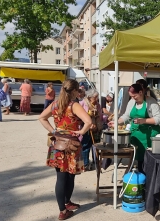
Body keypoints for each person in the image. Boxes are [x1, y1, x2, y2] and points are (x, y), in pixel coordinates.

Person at [39, 79, 92, 220]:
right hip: (71, 145)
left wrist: (54, 131)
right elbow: (89, 121)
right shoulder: (74, 105)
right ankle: (63, 210)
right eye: (78, 91)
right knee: (69, 176)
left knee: (62, 177)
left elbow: (42, 117)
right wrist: (81, 133)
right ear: (74, 91)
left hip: (57, 144)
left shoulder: (56, 104)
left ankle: (65, 205)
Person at [108, 84, 160, 174]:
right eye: (131, 96)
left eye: (134, 96)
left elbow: (159, 118)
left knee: (149, 160)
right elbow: (127, 116)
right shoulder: (131, 102)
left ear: (141, 92)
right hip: (136, 135)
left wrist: (143, 121)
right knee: (139, 160)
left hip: (150, 135)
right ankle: (142, 181)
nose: (133, 98)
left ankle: (149, 183)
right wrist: (117, 122)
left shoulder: (151, 102)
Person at [79, 89, 103, 170]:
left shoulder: (98, 105)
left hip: (96, 129)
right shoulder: (82, 103)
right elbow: (78, 117)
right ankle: (85, 164)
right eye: (95, 97)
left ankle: (95, 162)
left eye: (97, 97)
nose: (97, 99)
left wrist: (97, 117)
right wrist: (88, 119)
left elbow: (101, 116)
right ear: (89, 97)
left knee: (96, 146)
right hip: (86, 129)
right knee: (85, 146)